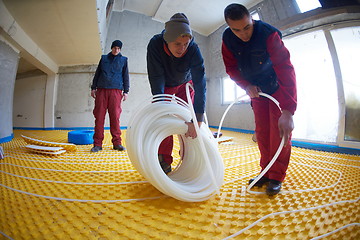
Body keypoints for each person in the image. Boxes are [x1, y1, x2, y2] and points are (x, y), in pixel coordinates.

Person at [222, 4, 297, 195]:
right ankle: (265, 171)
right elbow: (231, 68)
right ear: (229, 27)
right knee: (262, 133)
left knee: (279, 134)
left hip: (277, 89)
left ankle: (276, 176)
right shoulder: (228, 39)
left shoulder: (269, 35)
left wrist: (288, 110)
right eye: (236, 30)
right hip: (256, 92)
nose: (243, 34)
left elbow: (285, 68)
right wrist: (245, 85)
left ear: (251, 19)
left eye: (247, 27)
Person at [147, 13, 206, 174]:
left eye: (186, 44)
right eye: (177, 43)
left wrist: (198, 118)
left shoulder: (193, 48)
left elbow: (200, 82)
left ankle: (188, 155)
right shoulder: (155, 44)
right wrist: (161, 106)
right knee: (165, 119)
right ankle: (164, 159)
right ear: (167, 40)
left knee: (188, 120)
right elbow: (156, 77)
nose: (182, 49)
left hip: (185, 84)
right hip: (164, 84)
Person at [90, 40, 129, 152]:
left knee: (115, 118)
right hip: (102, 90)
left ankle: (117, 143)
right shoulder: (104, 59)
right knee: (99, 117)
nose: (116, 50)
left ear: (120, 49)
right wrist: (93, 88)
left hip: (116, 91)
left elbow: (125, 76)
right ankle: (97, 144)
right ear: (111, 48)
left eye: (118, 48)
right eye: (114, 48)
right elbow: (97, 74)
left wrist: (126, 91)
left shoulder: (124, 60)